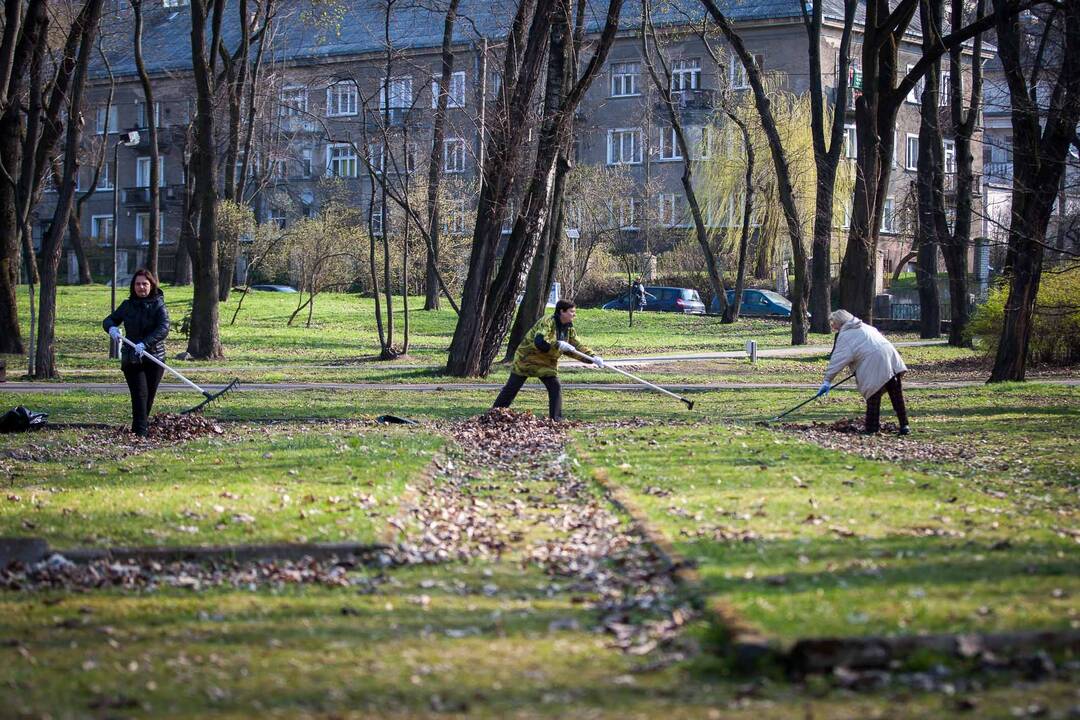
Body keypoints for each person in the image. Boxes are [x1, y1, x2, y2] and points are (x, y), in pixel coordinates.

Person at [493, 299, 602, 421]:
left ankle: (556, 419)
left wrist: (592, 357)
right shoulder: (548, 321)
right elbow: (540, 342)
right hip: (527, 359)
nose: (574, 314)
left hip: (547, 363)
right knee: (511, 388)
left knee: (555, 387)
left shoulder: (568, 328)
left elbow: (576, 346)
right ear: (562, 311)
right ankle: (494, 414)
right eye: (572, 311)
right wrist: (557, 345)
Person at [819, 309, 910, 435]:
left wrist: (827, 381)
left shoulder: (845, 335)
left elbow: (837, 360)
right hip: (891, 357)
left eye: (833, 323)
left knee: (873, 395)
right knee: (896, 394)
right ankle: (904, 425)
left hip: (873, 362)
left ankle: (872, 428)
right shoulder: (866, 327)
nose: (832, 326)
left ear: (840, 322)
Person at [103, 268, 170, 437]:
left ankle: (137, 429)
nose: (141, 287)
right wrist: (111, 328)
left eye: (145, 284)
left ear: (151, 285)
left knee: (148, 397)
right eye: (138, 284)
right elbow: (109, 319)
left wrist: (145, 344)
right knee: (140, 394)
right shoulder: (127, 306)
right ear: (133, 286)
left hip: (154, 357)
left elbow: (163, 328)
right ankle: (141, 433)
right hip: (131, 358)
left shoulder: (159, 304)